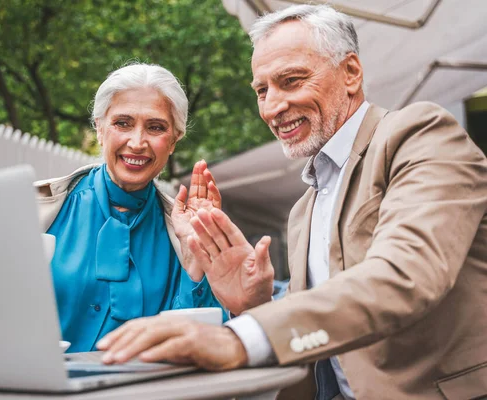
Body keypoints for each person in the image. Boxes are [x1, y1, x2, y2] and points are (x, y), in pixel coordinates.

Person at [96, 5, 487, 400]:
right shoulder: (304, 210)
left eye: (291, 81)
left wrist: (239, 338)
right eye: (262, 90)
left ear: (351, 72)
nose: (272, 107)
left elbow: (405, 274)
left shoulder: (421, 134)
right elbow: (317, 340)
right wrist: (253, 303)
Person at [34, 63, 227, 353]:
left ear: (174, 140)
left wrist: (194, 263)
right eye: (122, 123)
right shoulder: (39, 210)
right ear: (100, 129)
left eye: (155, 127)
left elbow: (199, 343)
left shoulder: (183, 231)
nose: (137, 142)